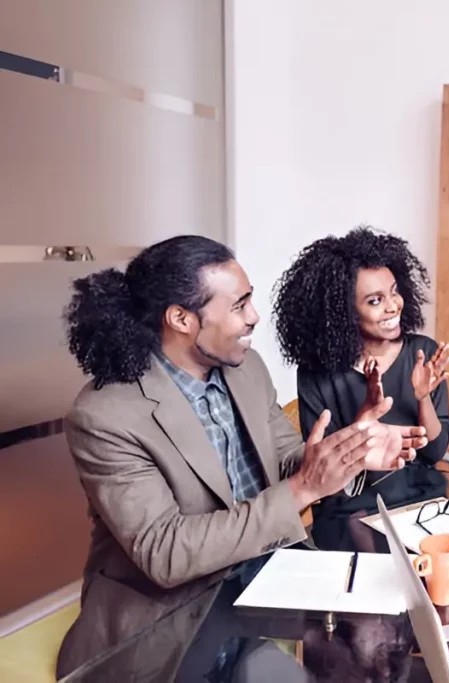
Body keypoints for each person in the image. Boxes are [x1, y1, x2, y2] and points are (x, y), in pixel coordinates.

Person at [55, 235, 426, 681]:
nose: (254, 317)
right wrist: (303, 487)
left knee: (381, 641)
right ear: (181, 319)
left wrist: (351, 454)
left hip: (266, 572)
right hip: (173, 610)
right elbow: (166, 553)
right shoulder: (105, 415)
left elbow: (290, 459)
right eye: (239, 305)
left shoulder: (245, 370)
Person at [273, 228, 449, 550]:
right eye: (375, 300)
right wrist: (364, 420)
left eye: (394, 292)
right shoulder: (318, 374)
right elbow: (324, 466)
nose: (393, 306)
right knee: (373, 571)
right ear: (344, 313)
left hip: (420, 498)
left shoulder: (422, 353)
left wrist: (423, 397)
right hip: (350, 506)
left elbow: (434, 452)